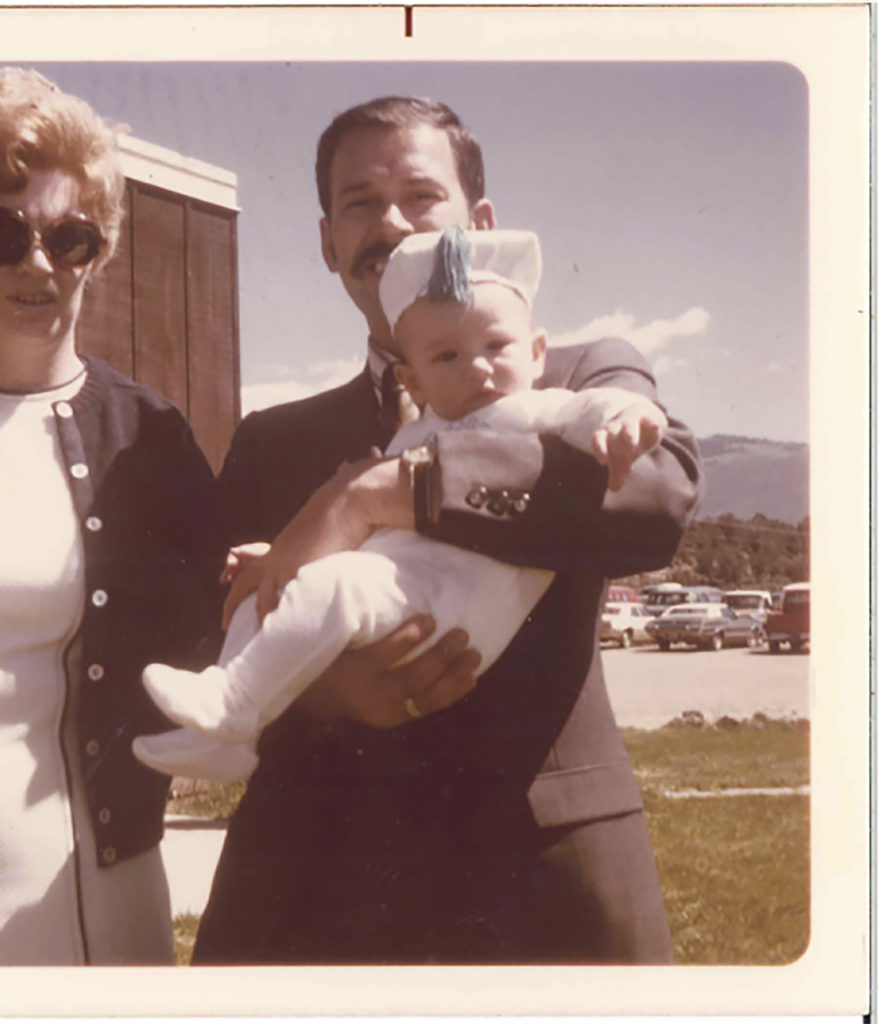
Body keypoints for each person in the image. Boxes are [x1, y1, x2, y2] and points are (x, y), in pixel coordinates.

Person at [192, 95, 702, 964]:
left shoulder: (578, 372)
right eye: (359, 203)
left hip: (544, 878)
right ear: (328, 245)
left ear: (482, 222)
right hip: (322, 893)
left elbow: (657, 493)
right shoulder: (274, 440)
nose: (389, 223)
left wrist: (380, 494)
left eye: (421, 197)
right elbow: (221, 634)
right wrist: (321, 691)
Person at [133, 226, 666, 784]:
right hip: (406, 585)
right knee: (270, 589)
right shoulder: (421, 432)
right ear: (414, 378)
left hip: (452, 606)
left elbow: (588, 412)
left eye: (497, 347)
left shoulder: (531, 409)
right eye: (448, 356)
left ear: (537, 352)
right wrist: (283, 556)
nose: (478, 368)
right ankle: (229, 740)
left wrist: (626, 417)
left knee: (329, 587)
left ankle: (236, 700)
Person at [0, 67, 227, 965]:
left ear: (100, 253)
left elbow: (227, 644)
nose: (37, 263)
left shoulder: (150, 441)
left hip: (91, 917)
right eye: (2, 231)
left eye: (71, 238)